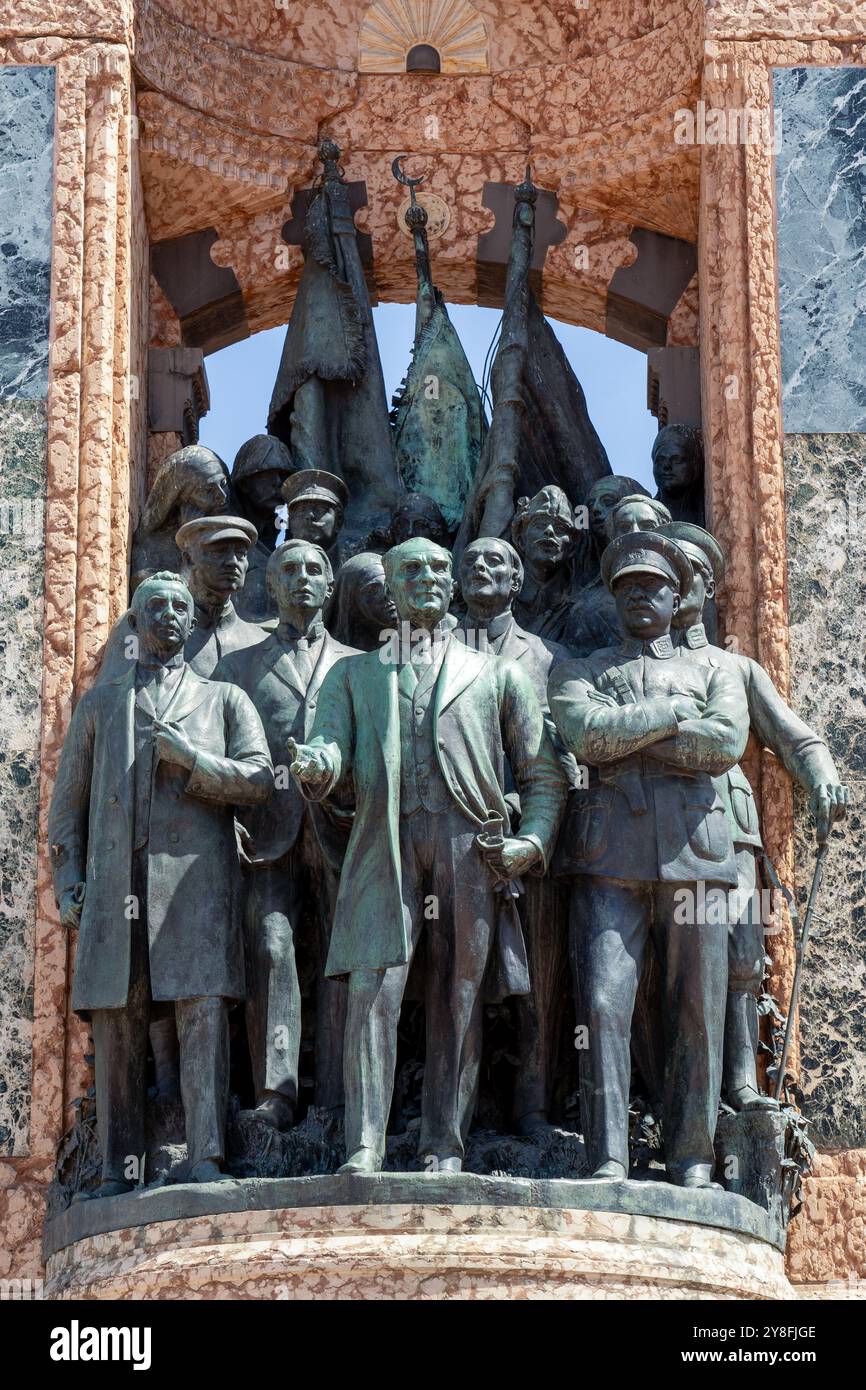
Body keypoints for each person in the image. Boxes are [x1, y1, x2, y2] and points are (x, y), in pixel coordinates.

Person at [289, 538, 566, 1174]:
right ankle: (365, 1146)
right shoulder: (352, 674)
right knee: (372, 992)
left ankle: (445, 1144)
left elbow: (543, 772)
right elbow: (329, 745)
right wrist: (317, 766)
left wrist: (532, 841)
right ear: (389, 586)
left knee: (458, 994)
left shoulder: (497, 673)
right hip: (383, 845)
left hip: (469, 848)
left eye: (440, 567)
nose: (431, 578)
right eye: (413, 569)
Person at [48, 572, 273, 1196]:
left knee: (201, 1011)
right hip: (117, 883)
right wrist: (70, 881)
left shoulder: (223, 700)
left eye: (180, 606)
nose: (170, 615)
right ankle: (120, 1169)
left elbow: (259, 780)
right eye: (157, 606)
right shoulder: (100, 707)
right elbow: (67, 810)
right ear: (136, 622)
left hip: (196, 885)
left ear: (190, 621)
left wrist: (193, 762)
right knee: (119, 1019)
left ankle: (206, 1156)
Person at [549, 531, 748, 1188]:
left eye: (652, 586)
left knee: (697, 1005)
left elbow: (722, 746)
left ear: (676, 594)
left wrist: (629, 735)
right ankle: (607, 1157)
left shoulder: (718, 670)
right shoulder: (580, 668)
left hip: (696, 855)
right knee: (603, 1003)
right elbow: (584, 735)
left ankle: (693, 1156)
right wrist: (669, 717)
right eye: (628, 587)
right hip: (609, 858)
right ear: (613, 598)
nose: (640, 595)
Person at [653, 522, 848, 1111]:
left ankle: (739, 1081)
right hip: (652, 828)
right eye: (671, 568)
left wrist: (822, 778)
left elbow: (795, 739)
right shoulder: (634, 660)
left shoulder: (731, 666)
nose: (680, 579)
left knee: (740, 955)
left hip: (726, 824)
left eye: (691, 570)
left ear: (707, 587)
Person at [215, 542, 359, 1127]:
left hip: (340, 831)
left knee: (339, 960)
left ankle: (338, 1100)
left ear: (330, 587)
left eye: (313, 571)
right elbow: (218, 745)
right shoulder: (238, 666)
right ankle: (276, 1095)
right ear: (269, 587)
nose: (302, 580)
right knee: (272, 950)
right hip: (265, 837)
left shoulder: (359, 663)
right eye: (289, 571)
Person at [456, 536, 575, 1133]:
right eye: (471, 560)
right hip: (457, 844)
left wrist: (533, 828)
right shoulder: (433, 653)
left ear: (518, 579)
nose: (483, 567)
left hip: (534, 837)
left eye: (497, 561)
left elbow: (562, 752)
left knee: (540, 980)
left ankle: (534, 1105)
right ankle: (458, 1114)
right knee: (458, 980)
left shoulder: (550, 659)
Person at [130, 445, 230, 590]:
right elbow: (163, 600)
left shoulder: (235, 542)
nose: (222, 496)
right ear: (181, 499)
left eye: (223, 483)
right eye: (208, 491)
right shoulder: (151, 548)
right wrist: (189, 541)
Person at [230, 434, 294, 623]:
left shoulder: (277, 542)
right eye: (269, 473)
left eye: (283, 476)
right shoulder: (227, 542)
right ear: (245, 483)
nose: (278, 483)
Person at [327, 551, 397, 651]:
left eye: (389, 585)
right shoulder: (331, 654)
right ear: (350, 600)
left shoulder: (418, 643)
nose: (387, 595)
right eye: (372, 590)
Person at [282, 469, 349, 572]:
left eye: (320, 509)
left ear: (338, 521)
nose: (309, 516)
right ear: (290, 521)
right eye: (301, 509)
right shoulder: (274, 569)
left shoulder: (353, 567)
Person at [651, 424, 705, 525]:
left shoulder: (710, 511)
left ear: (694, 464)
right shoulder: (643, 518)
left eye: (677, 459)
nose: (666, 466)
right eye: (660, 460)